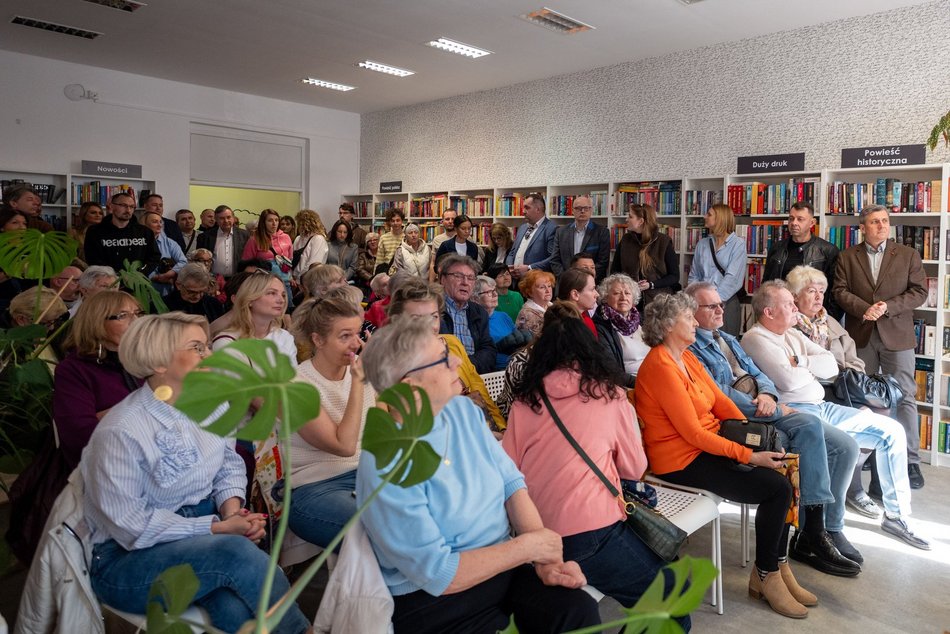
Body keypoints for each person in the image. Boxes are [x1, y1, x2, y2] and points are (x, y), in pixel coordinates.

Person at [357, 318, 600, 634]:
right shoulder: (384, 461)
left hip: (503, 570)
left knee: (576, 610)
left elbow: (512, 485)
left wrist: (548, 562)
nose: (458, 360)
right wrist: (531, 548)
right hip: (435, 600)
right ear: (410, 387)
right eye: (444, 358)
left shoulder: (462, 413)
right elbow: (439, 574)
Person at [80, 312, 310, 634]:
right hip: (126, 561)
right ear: (159, 363)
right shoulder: (122, 430)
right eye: (198, 348)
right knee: (236, 554)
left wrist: (234, 513)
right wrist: (218, 528)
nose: (210, 355)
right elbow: (131, 527)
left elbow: (227, 465)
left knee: (236, 609)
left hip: (200, 540)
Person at [504, 302, 686, 629]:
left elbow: (507, 472)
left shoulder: (524, 401)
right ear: (592, 350)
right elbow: (634, 467)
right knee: (672, 600)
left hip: (535, 535)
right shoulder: (610, 395)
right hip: (593, 532)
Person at [634, 292, 812, 619]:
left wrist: (757, 440)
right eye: (688, 318)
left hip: (707, 446)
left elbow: (722, 403)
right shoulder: (659, 365)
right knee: (777, 489)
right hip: (680, 461)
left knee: (785, 471)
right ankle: (766, 575)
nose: (694, 322)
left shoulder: (686, 357)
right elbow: (692, 434)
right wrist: (748, 455)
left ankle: (778, 566)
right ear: (670, 325)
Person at [685, 281, 862, 575]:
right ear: (691, 312)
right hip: (736, 419)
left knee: (815, 433)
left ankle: (811, 533)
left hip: (763, 407)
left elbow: (759, 374)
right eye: (712, 306)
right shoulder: (692, 349)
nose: (720, 309)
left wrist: (768, 395)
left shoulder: (727, 338)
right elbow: (717, 395)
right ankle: (804, 538)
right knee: (801, 430)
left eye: (720, 303)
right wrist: (767, 406)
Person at [740, 281, 930, 551]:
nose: (795, 308)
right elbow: (788, 381)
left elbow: (831, 365)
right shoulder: (756, 338)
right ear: (769, 312)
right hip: (800, 412)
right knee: (846, 448)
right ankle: (830, 528)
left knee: (892, 432)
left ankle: (897, 517)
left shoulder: (791, 335)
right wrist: (805, 367)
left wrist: (802, 361)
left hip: (822, 405)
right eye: (788, 304)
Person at [832, 203, 928, 490]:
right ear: (862, 227)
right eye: (874, 222)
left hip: (897, 335)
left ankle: (910, 460)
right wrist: (865, 309)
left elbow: (919, 292)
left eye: (885, 221)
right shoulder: (847, 256)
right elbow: (838, 291)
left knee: (905, 397)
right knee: (864, 399)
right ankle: (871, 456)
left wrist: (887, 307)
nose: (881, 226)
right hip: (861, 335)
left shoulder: (908, 254)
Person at [787, 265, 883, 519]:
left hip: (838, 387)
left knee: (877, 411)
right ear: (795, 296)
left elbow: (855, 361)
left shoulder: (829, 323)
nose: (818, 297)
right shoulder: (787, 325)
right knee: (848, 430)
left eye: (821, 291)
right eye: (811, 291)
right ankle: (848, 492)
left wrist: (848, 375)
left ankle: (853, 486)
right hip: (810, 393)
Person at [285, 288, 376, 550]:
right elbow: (344, 446)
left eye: (357, 334)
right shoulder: (297, 386)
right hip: (316, 488)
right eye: (344, 336)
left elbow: (382, 426)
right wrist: (359, 382)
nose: (355, 344)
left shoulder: (361, 369)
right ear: (318, 340)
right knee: (383, 531)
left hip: (367, 476)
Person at [388, 277, 506, 433]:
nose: (429, 325)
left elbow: (480, 389)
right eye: (417, 318)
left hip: (477, 431)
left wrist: (503, 428)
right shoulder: (394, 363)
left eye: (434, 316)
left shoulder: (452, 343)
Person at [53, 291, 144, 469]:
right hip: (112, 467)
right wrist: (143, 404)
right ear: (97, 323)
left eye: (138, 313)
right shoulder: (74, 370)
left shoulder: (144, 360)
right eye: (123, 316)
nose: (136, 321)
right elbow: (79, 435)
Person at [762, 201, 840, 318]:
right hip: (780, 314)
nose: (794, 223)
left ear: (812, 223)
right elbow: (766, 283)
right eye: (791, 218)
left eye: (800, 219)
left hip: (812, 316)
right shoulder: (777, 248)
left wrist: (826, 318)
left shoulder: (827, 250)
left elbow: (835, 291)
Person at [687, 203, 747, 335]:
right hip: (701, 304)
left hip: (725, 304)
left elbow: (732, 279)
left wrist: (713, 303)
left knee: (725, 346)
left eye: (709, 214)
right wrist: (696, 299)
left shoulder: (738, 245)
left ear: (720, 218)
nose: (705, 217)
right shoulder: (702, 244)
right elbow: (694, 275)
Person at [211, 272, 296, 362]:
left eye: (283, 295)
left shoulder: (285, 337)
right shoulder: (227, 342)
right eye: (271, 293)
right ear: (250, 299)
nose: (281, 300)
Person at [611, 203, 679, 309]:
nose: (626, 219)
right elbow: (615, 273)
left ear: (641, 221)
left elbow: (674, 276)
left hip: (658, 303)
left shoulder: (664, 241)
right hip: (630, 301)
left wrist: (651, 284)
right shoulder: (625, 241)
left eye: (630, 216)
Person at [437, 254, 497, 374]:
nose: (465, 282)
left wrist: (465, 367)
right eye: (458, 276)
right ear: (443, 279)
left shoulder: (480, 312)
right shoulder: (433, 310)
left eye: (470, 278)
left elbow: (489, 352)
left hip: (473, 377)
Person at [593, 273, 650, 388]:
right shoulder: (602, 325)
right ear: (605, 297)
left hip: (654, 378)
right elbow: (611, 370)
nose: (623, 297)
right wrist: (643, 384)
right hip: (628, 386)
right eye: (616, 293)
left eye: (627, 293)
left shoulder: (643, 320)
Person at [83, 192, 161, 276]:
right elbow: (92, 259)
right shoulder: (95, 231)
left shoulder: (145, 232)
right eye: (123, 205)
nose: (128, 210)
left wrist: (141, 273)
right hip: (107, 281)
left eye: (131, 207)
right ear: (112, 207)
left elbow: (154, 257)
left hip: (138, 281)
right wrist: (113, 276)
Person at [473, 275, 529, 371]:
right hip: (495, 372)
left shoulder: (503, 316)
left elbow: (517, 342)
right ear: (475, 298)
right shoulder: (474, 321)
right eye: (489, 292)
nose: (495, 295)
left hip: (516, 367)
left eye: (495, 290)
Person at [550, 195, 610, 281]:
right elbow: (554, 260)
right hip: (566, 282)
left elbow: (603, 262)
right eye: (578, 208)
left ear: (591, 210)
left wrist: (584, 280)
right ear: (573, 211)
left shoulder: (602, 232)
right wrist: (566, 277)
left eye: (586, 208)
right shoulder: (561, 232)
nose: (582, 211)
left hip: (591, 283)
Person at [242, 209, 295, 308]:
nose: (274, 223)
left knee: (287, 310)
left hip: (284, 281)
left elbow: (290, 259)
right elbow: (246, 263)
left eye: (276, 220)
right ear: (263, 222)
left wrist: (291, 276)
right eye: (270, 220)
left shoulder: (286, 237)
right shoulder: (254, 239)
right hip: (264, 284)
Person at [507, 192, 557, 278]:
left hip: (534, 281)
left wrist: (529, 268)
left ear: (538, 209)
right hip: (514, 280)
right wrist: (509, 266)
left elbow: (553, 258)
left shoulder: (551, 228)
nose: (523, 211)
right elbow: (512, 252)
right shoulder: (522, 228)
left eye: (527, 208)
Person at [197, 205, 250, 281]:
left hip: (237, 279)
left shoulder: (244, 235)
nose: (226, 221)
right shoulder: (204, 237)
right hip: (212, 280)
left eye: (228, 217)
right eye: (221, 218)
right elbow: (200, 261)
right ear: (216, 219)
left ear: (233, 218)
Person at [141, 209, 186, 296]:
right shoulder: (138, 243)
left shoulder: (169, 242)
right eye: (155, 222)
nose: (159, 225)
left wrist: (171, 273)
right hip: (143, 289)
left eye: (161, 222)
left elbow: (183, 261)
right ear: (144, 225)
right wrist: (154, 277)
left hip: (166, 291)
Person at [554, 268, 599, 336]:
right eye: (592, 289)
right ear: (575, 295)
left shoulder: (586, 320)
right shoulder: (566, 328)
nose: (597, 294)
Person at [515, 268, 554, 339]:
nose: (548, 290)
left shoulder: (553, 306)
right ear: (530, 292)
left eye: (549, 286)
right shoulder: (527, 314)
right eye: (542, 287)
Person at [291, 209, 329, 281]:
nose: (299, 226)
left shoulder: (318, 239)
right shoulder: (298, 238)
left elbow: (313, 264)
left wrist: (300, 280)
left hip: (310, 279)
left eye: (301, 223)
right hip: (294, 279)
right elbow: (292, 259)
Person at [428, 209, 457, 281]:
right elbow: (433, 263)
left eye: (453, 219)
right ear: (442, 221)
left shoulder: (466, 238)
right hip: (441, 280)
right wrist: (431, 284)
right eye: (447, 219)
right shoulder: (437, 240)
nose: (450, 221)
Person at [374, 207, 406, 273]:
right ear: (389, 222)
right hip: (387, 274)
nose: (395, 223)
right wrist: (376, 276)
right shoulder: (383, 238)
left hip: (403, 273)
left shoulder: (406, 237)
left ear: (402, 221)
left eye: (398, 220)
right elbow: (379, 260)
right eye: (392, 221)